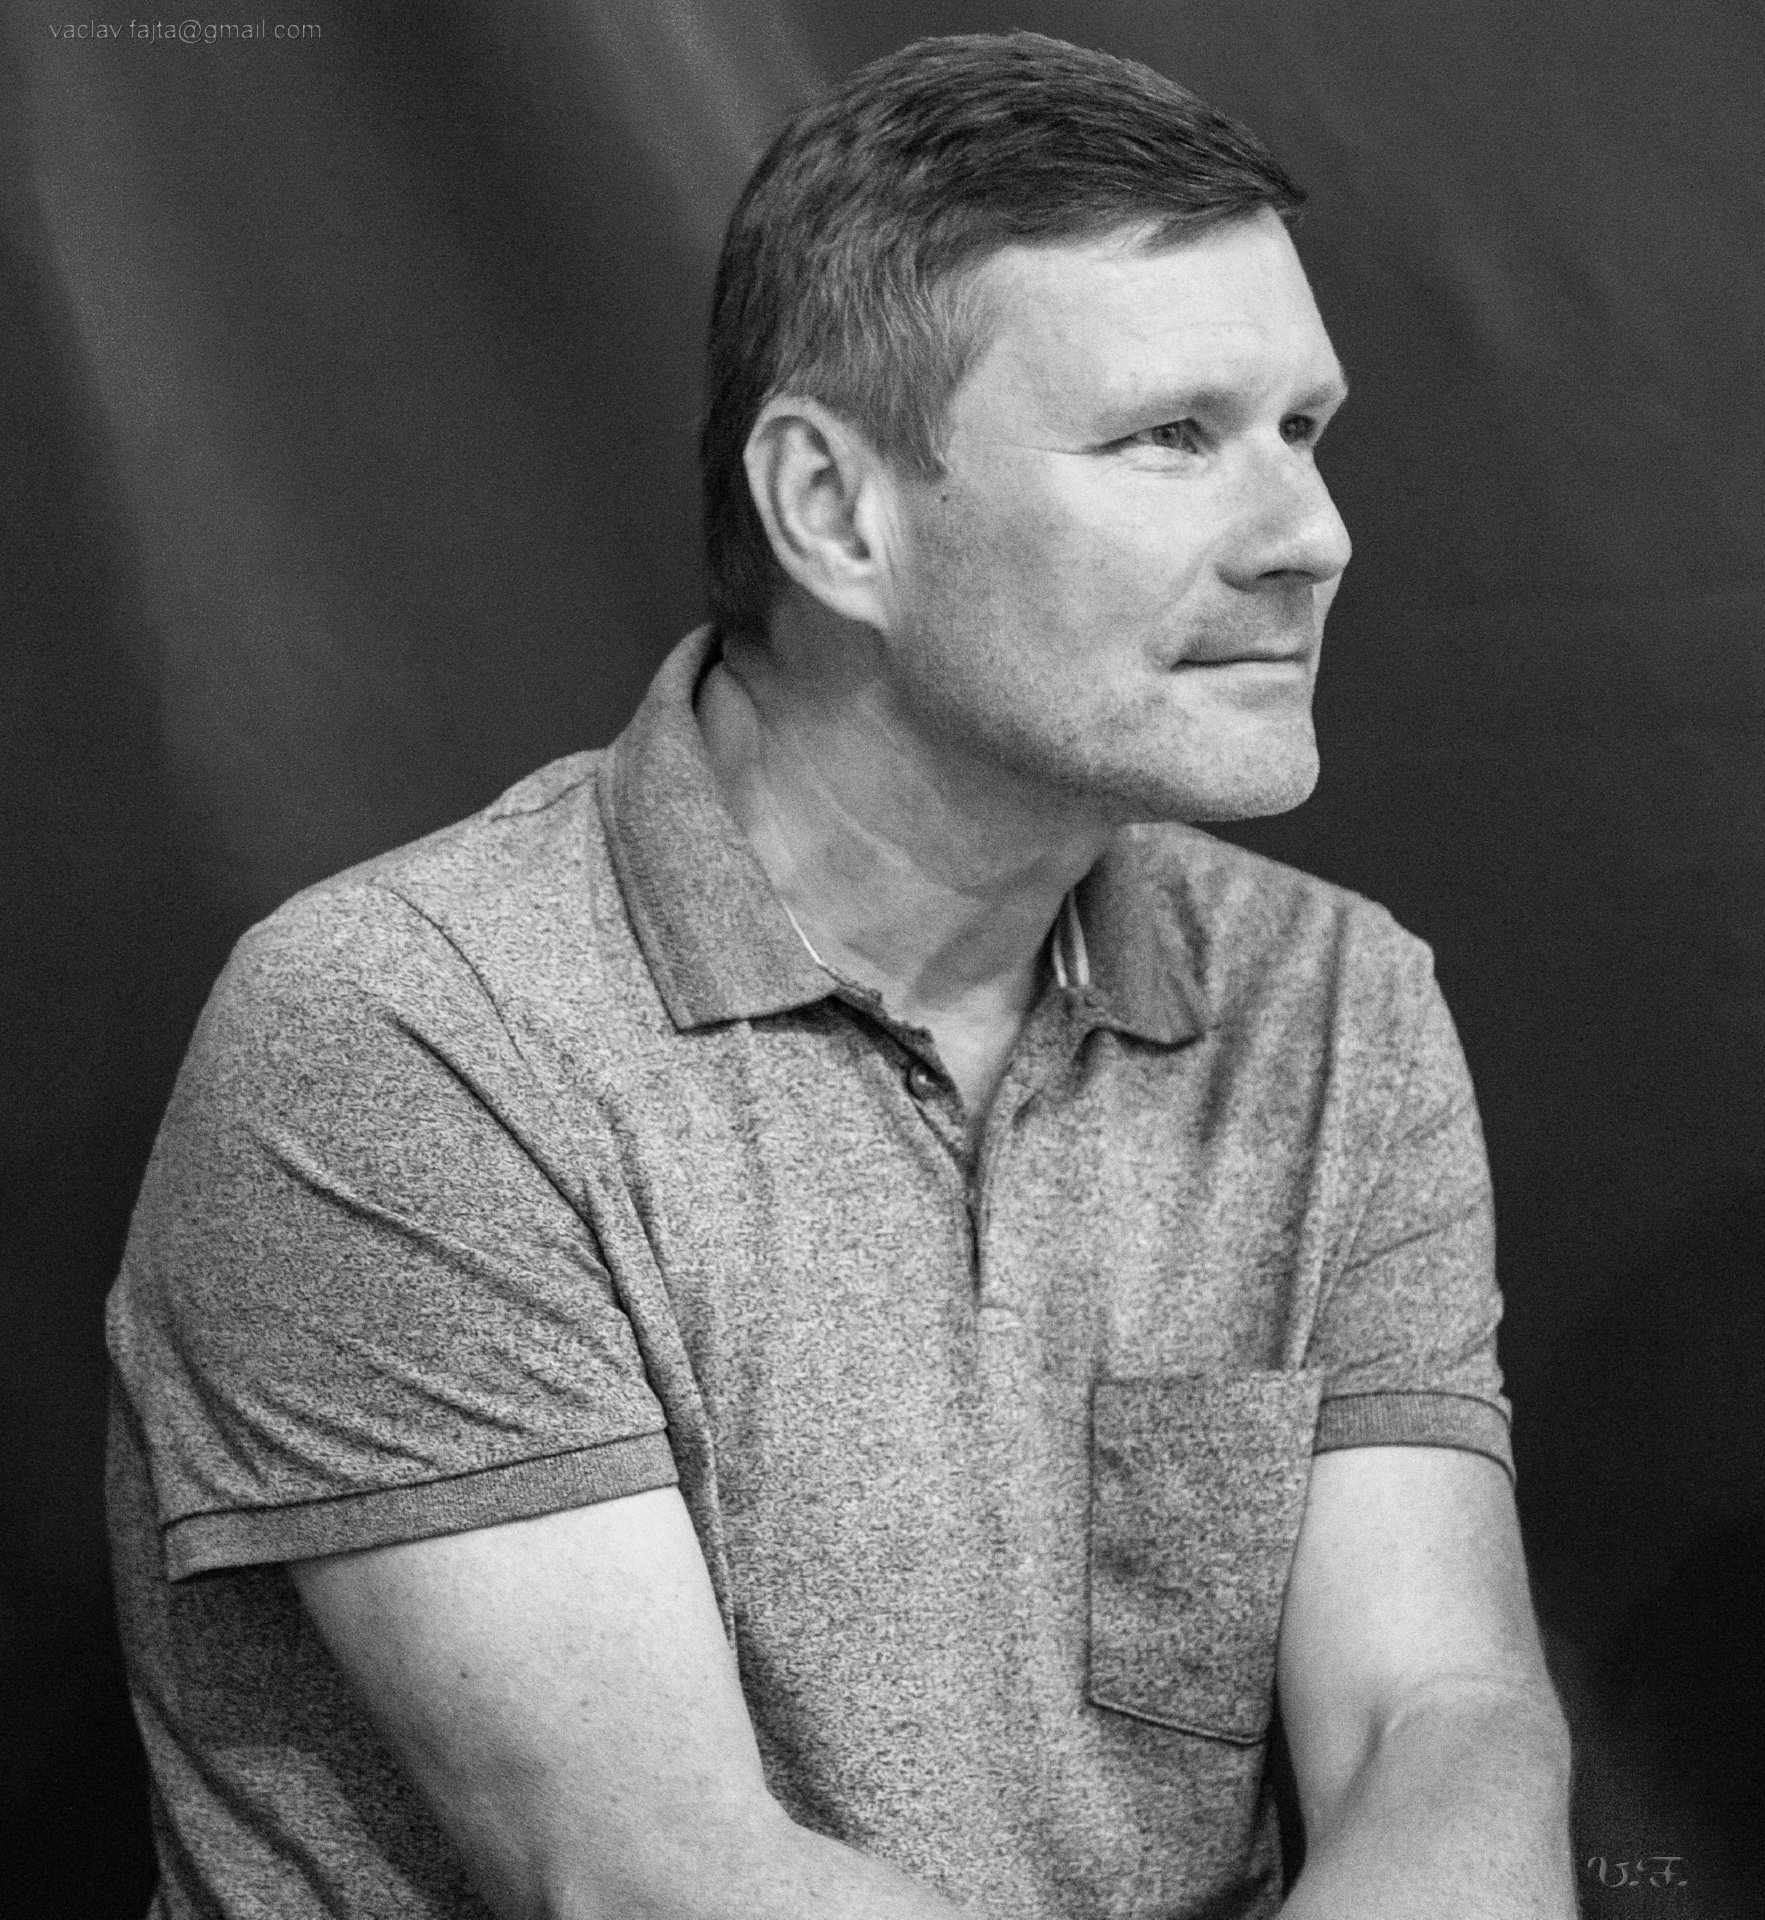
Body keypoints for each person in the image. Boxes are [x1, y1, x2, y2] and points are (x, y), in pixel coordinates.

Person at [106, 30, 1576, 1920]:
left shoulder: (1332, 998)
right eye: (1172, 436)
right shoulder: (406, 1029)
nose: (1314, 537)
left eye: (1303, 431)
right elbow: (649, 1877)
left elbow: (1434, 1721)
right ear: (830, 507)